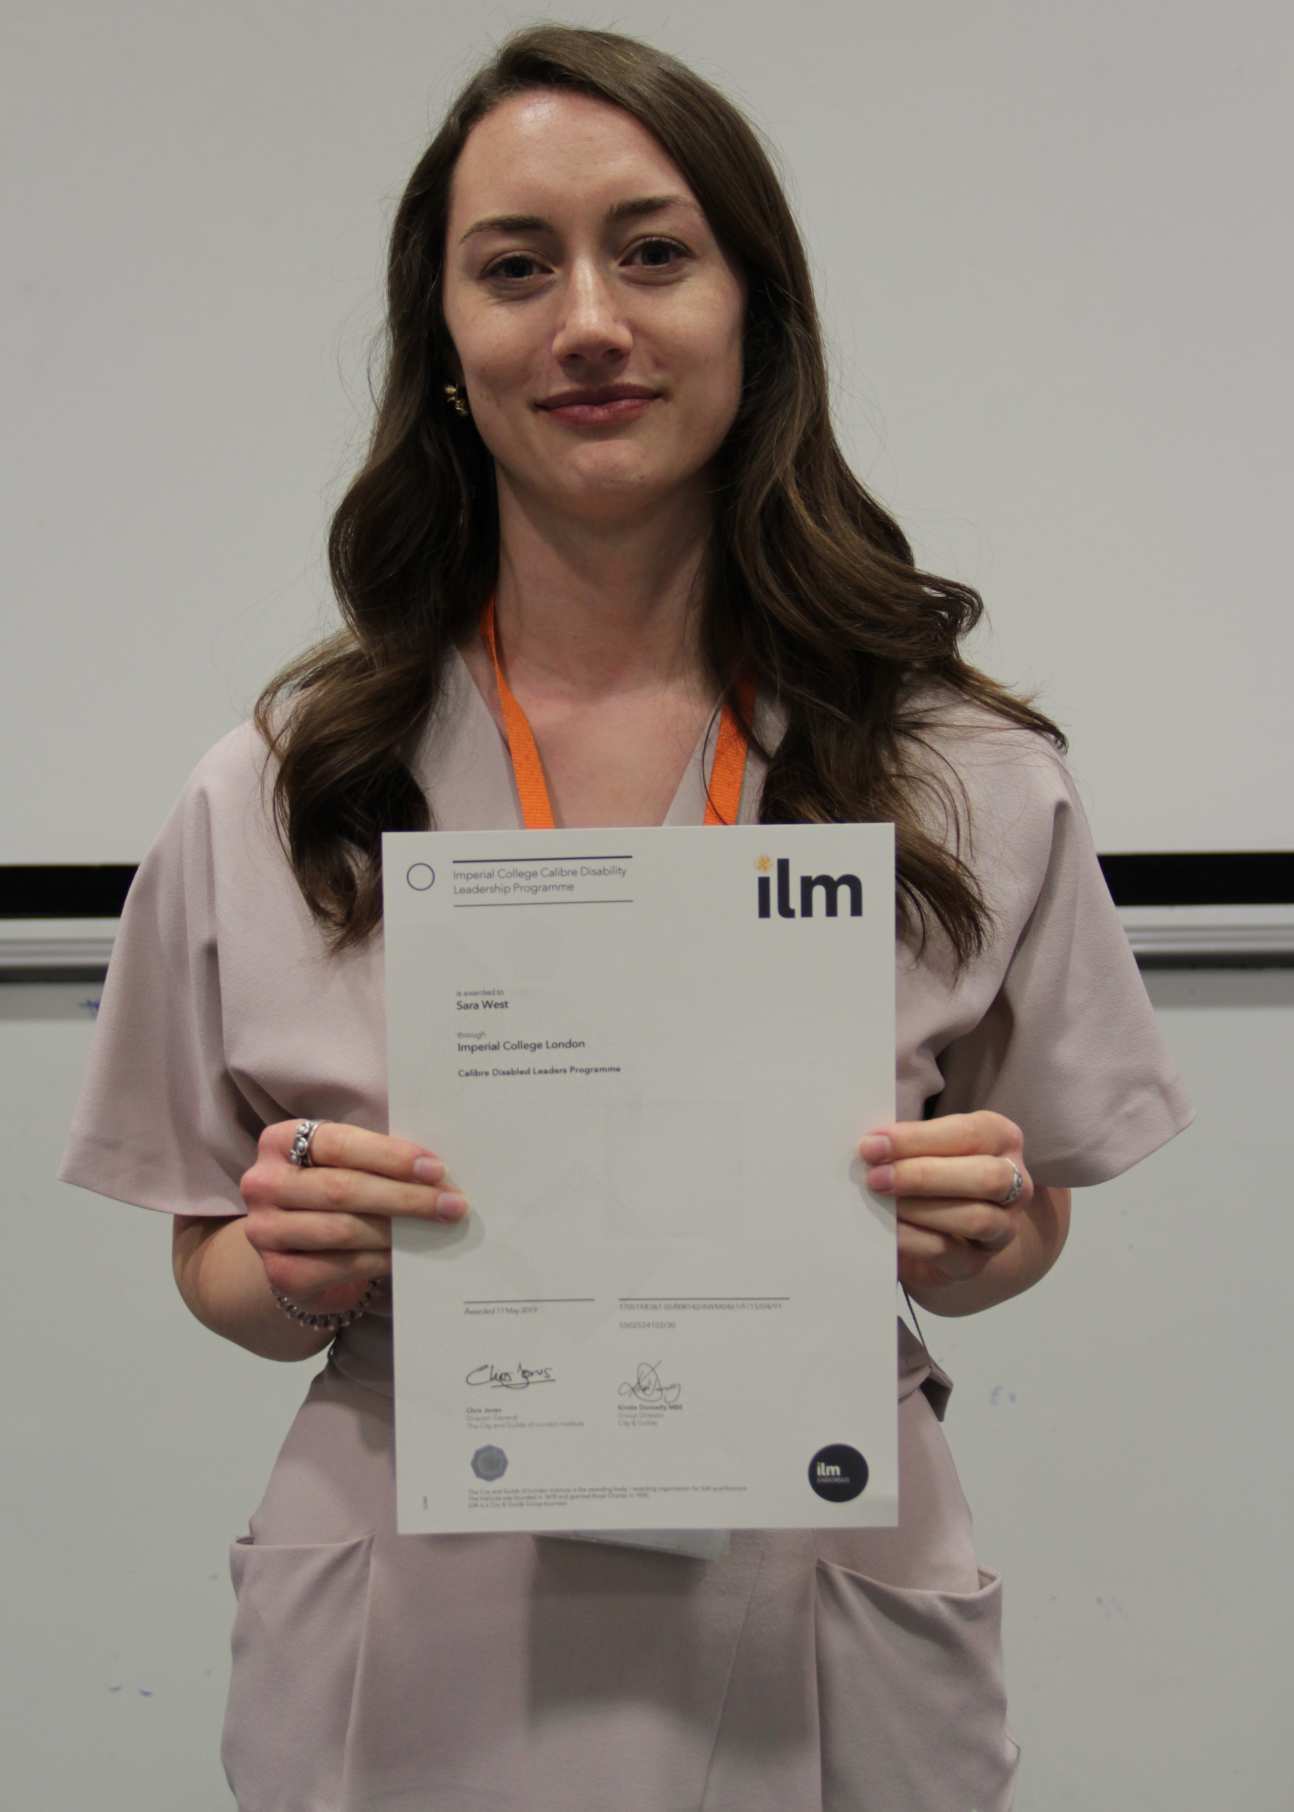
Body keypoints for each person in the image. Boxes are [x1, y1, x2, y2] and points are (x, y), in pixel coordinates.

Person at [59, 22, 1193, 1811]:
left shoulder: (963, 773)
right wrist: (281, 1263)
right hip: (410, 1571)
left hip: (811, 1545)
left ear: (755, 314)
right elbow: (212, 1262)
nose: (587, 318)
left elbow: (1027, 1210)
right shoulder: (280, 784)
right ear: (445, 348)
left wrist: (986, 1236)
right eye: (515, 269)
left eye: (653, 252)